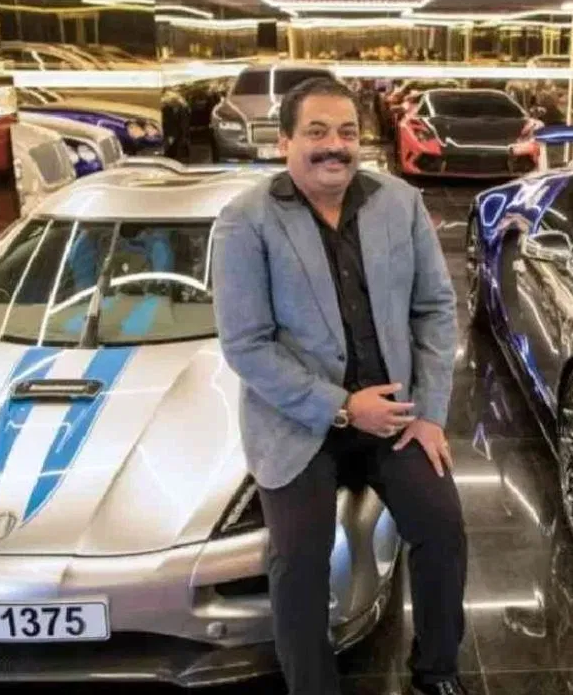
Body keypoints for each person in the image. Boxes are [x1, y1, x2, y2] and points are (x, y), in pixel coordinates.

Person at [211, 77, 467, 695]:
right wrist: (345, 407)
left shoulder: (399, 203)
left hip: (396, 414)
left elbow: (435, 309)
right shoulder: (246, 222)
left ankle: (436, 671)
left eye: (347, 132)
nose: (335, 146)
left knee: (443, 529)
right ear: (285, 142)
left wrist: (430, 414)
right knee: (298, 560)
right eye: (317, 132)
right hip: (298, 420)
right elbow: (246, 344)